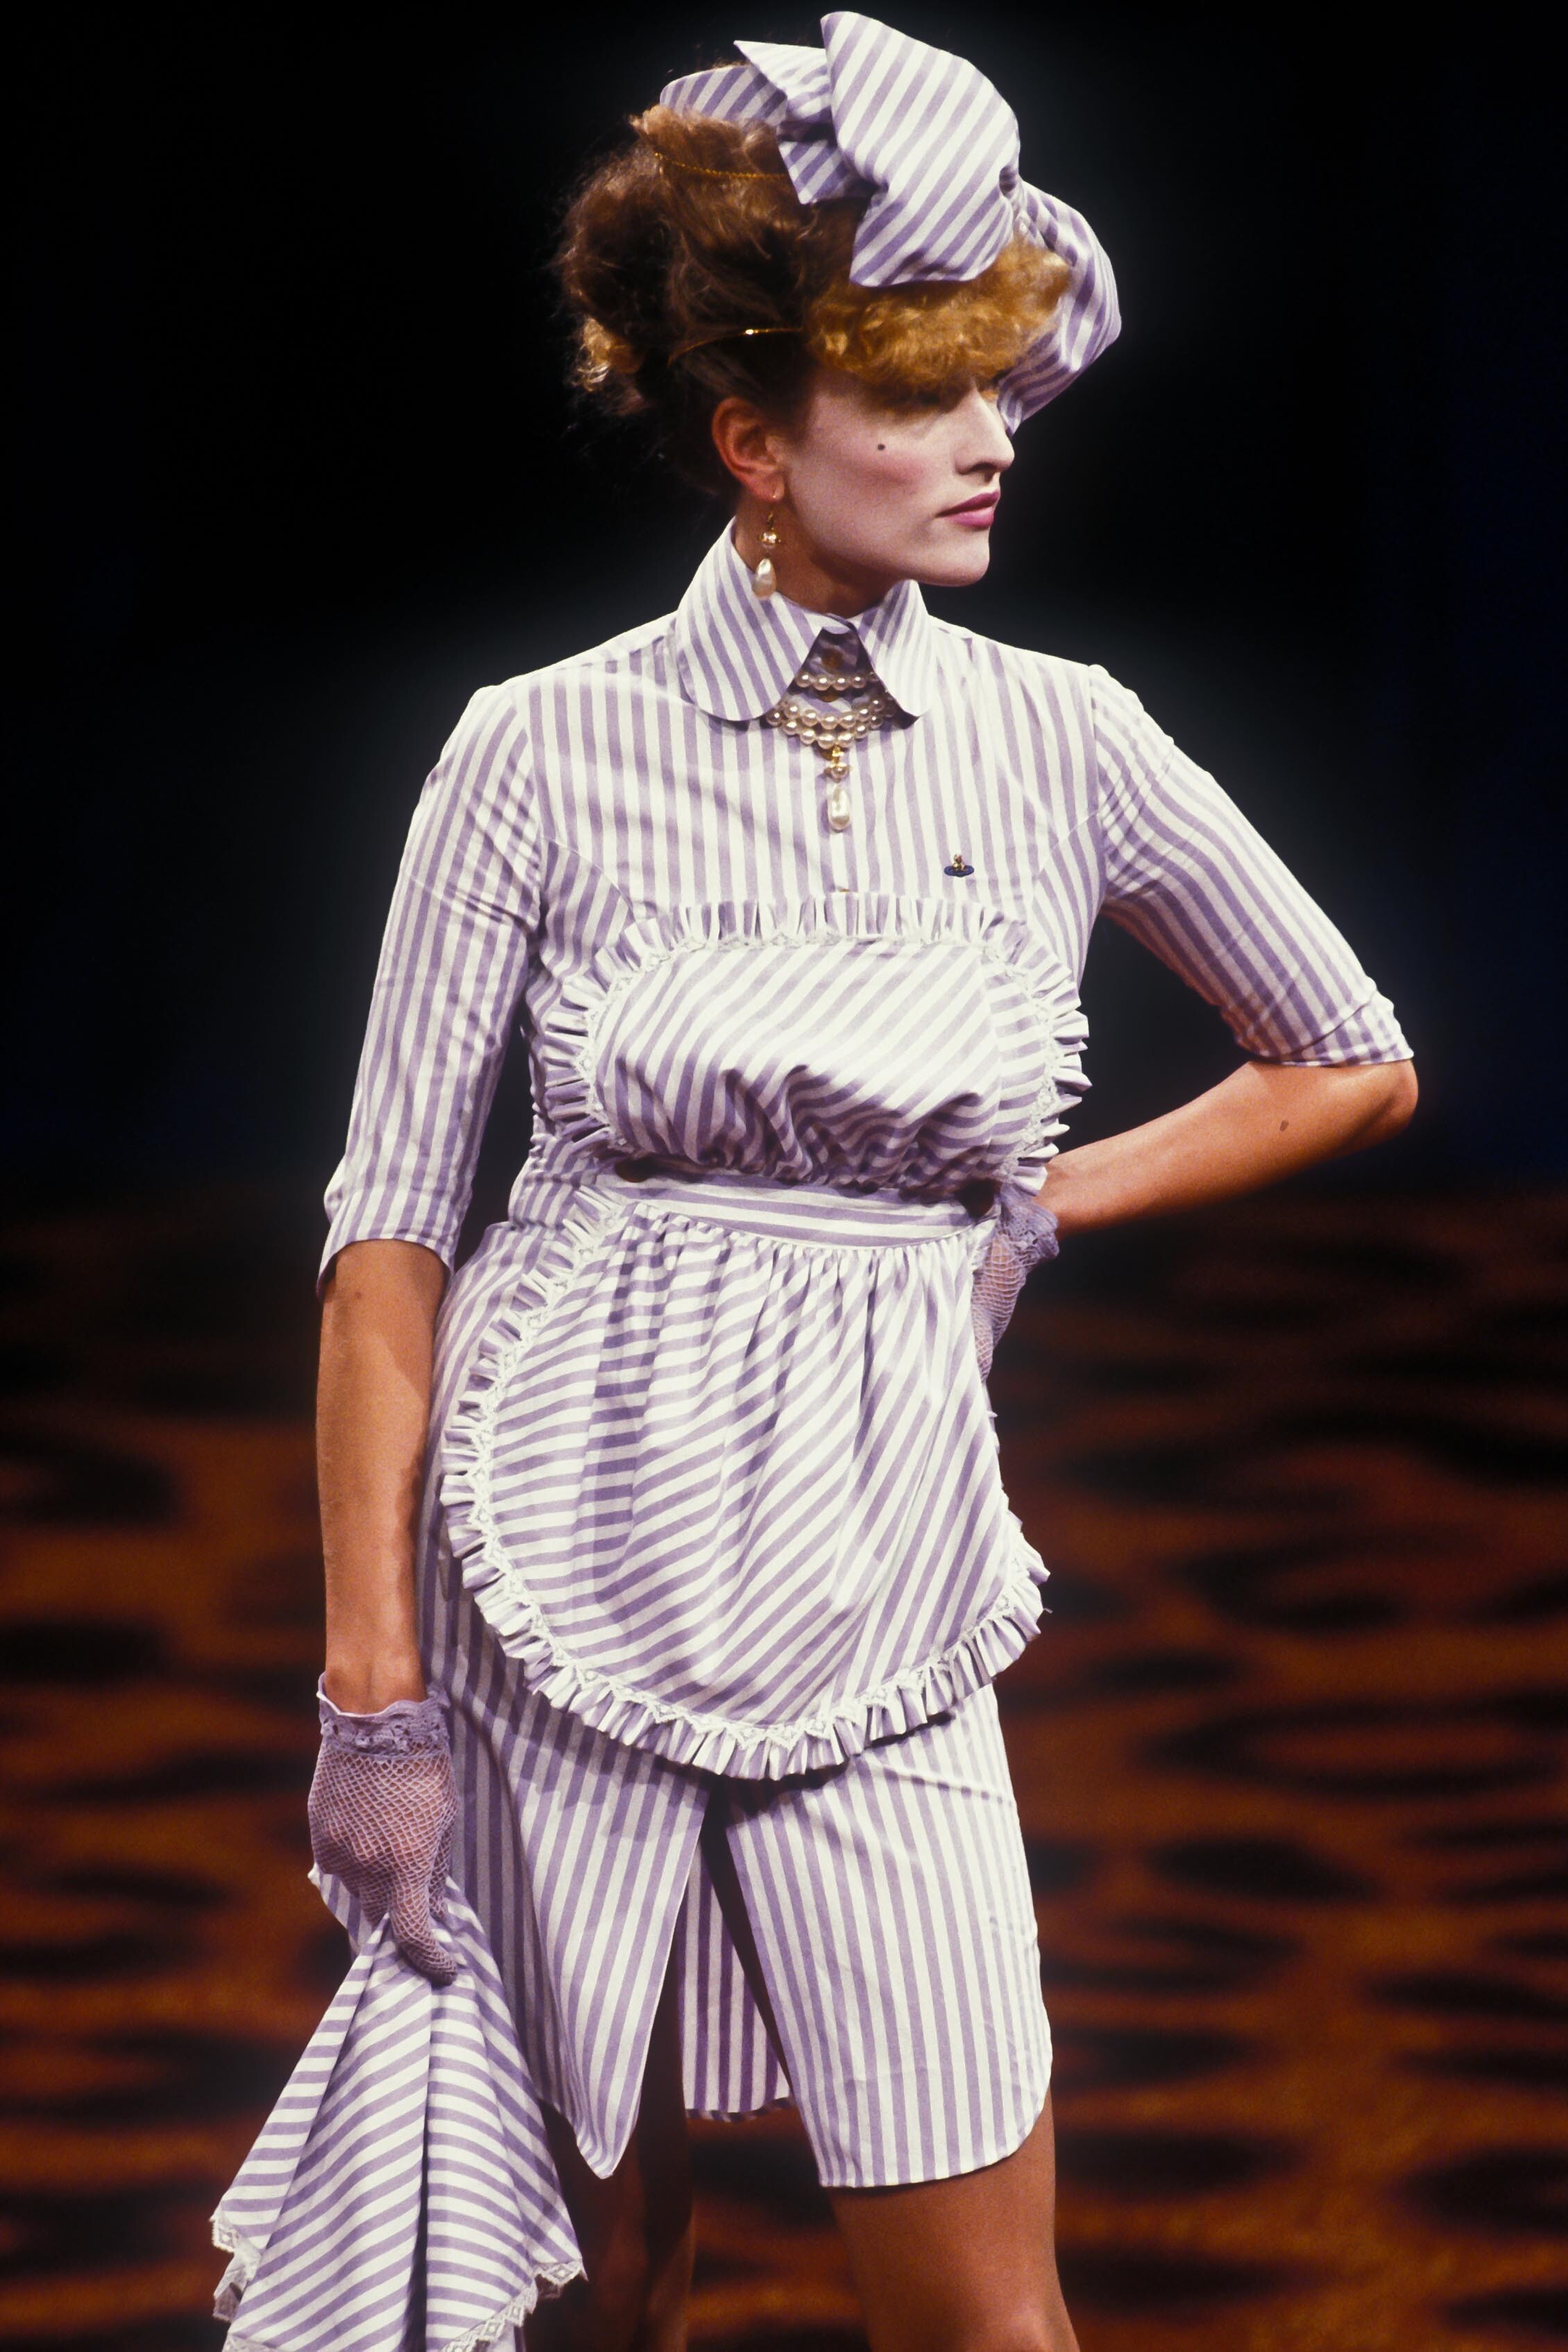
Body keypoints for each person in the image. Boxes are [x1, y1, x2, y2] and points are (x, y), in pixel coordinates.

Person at [215, 16, 1417, 2352]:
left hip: (883, 1582)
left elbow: (1344, 1059)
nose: (989, 442)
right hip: (546, 1568)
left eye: (999, 392)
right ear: (752, 441)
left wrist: (1040, 1206)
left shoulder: (1061, 735)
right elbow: (386, 1244)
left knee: (986, 2318)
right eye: (919, 396)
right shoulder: (537, 749)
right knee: (585, 2288)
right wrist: (374, 1701)